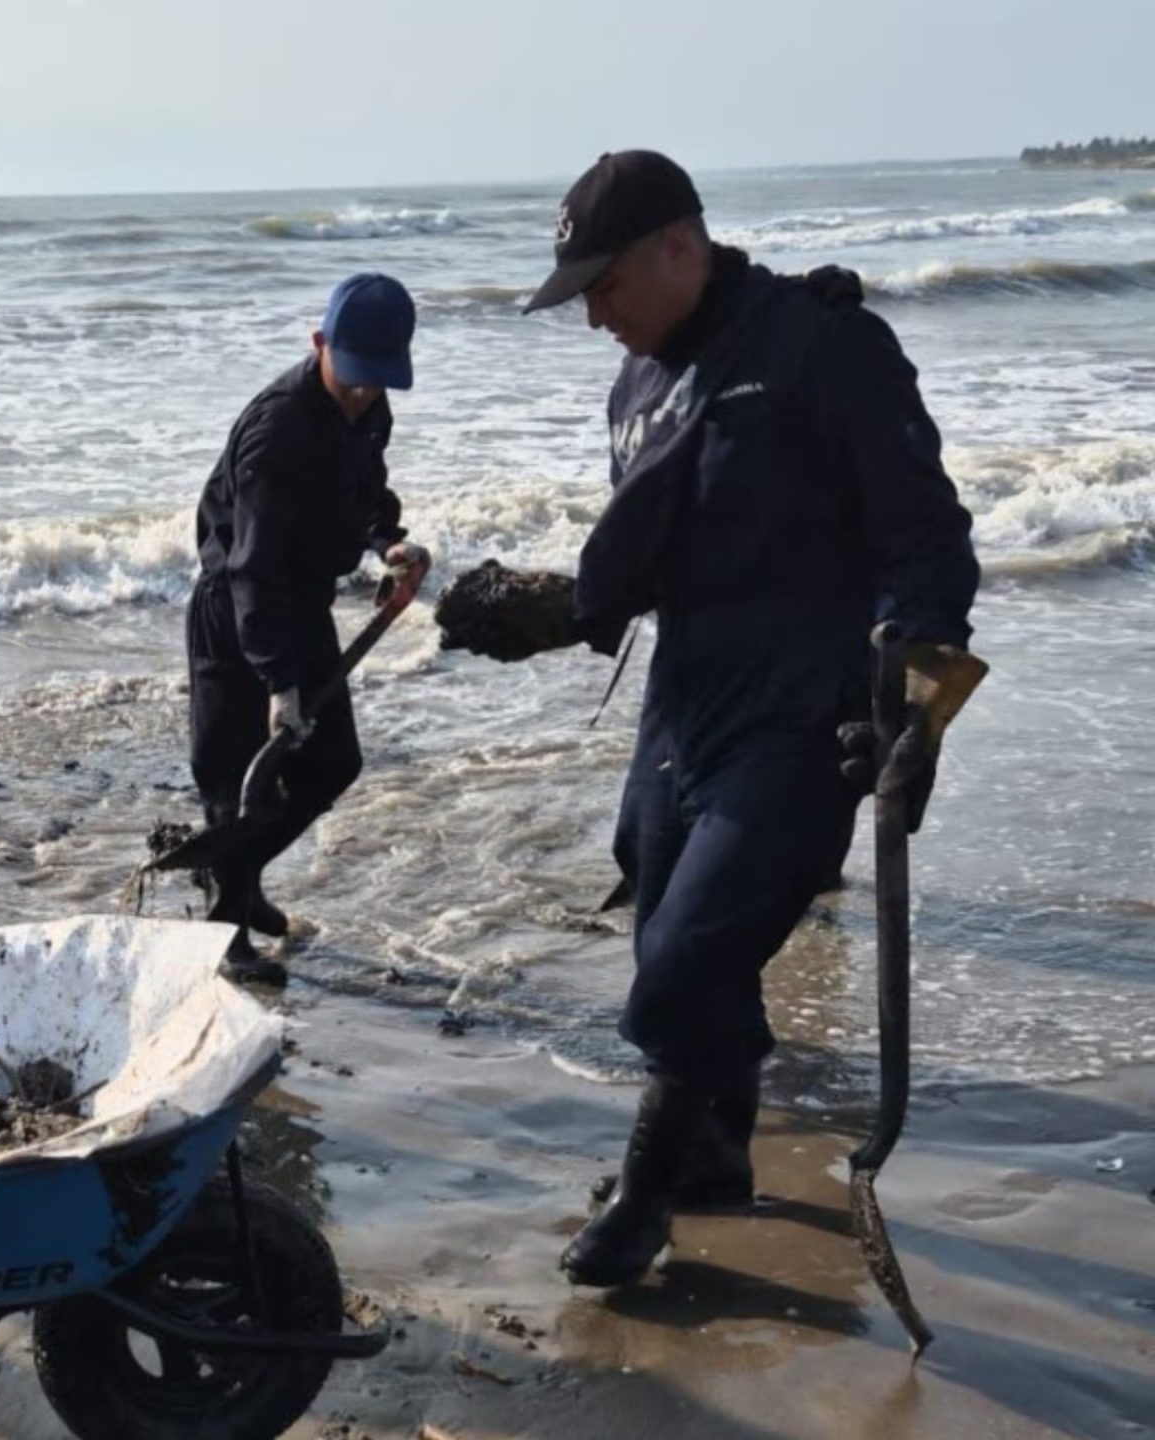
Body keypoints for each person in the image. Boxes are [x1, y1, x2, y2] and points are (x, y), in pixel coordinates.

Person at [512, 151, 979, 1286]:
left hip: (803, 714)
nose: (595, 319)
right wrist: (530, 607)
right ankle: (716, 1151)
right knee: (655, 903)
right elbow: (638, 561)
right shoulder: (633, 389)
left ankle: (646, 1194)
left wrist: (914, 707)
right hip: (684, 709)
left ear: (679, 244)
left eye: (604, 286)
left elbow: (927, 538)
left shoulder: (820, 344)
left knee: (681, 964)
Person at [185, 273, 430, 985]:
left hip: (304, 605)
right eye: (352, 377)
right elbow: (251, 569)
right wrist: (278, 682)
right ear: (320, 342)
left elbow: (364, 487)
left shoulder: (371, 407)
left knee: (333, 763)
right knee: (235, 781)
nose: (362, 394)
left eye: (377, 382)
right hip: (237, 614)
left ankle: (242, 878)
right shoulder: (275, 432)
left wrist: (388, 538)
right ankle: (225, 935)